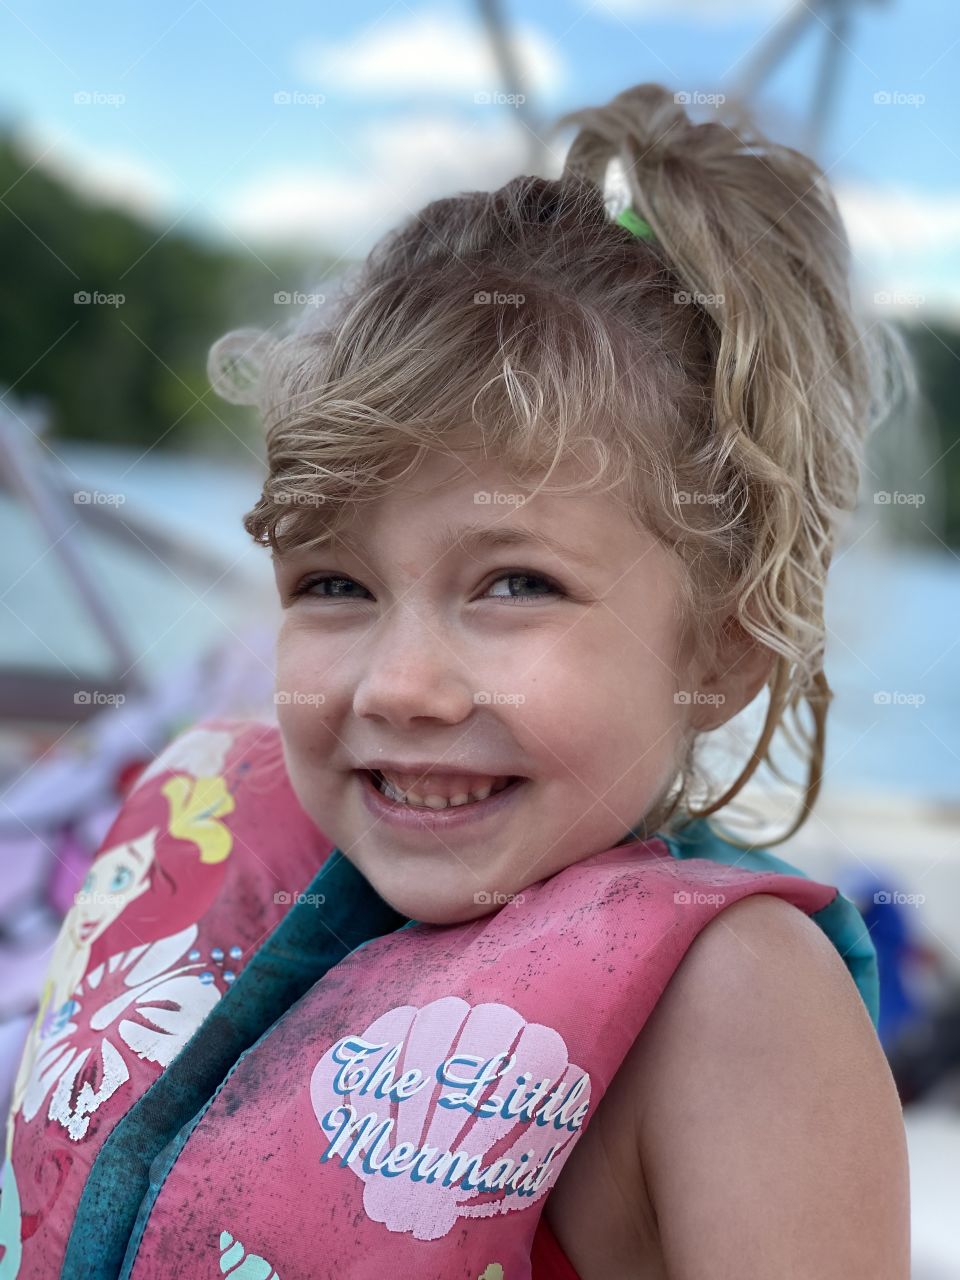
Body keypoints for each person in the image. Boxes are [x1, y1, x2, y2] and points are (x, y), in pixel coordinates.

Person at [1, 82, 910, 1278]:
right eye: (332, 584)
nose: (403, 685)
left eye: (516, 584)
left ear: (721, 649)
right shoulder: (208, 835)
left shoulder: (737, 1012)